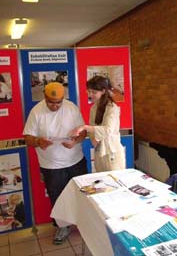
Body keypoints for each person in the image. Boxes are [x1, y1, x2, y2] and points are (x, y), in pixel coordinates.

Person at [23, 82, 87, 245]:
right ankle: (62, 226)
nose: (55, 106)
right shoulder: (36, 111)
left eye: (58, 102)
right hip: (51, 165)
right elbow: (28, 138)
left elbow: (83, 132)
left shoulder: (71, 107)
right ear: (44, 97)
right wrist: (38, 141)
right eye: (51, 102)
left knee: (82, 194)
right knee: (56, 197)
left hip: (76, 160)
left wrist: (75, 140)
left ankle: (85, 224)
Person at [69, 75, 125, 172]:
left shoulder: (112, 108)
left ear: (103, 91)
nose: (90, 95)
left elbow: (107, 130)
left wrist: (84, 127)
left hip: (112, 153)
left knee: (115, 183)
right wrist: (93, 139)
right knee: (101, 184)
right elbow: (92, 130)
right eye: (89, 91)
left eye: (94, 92)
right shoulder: (94, 108)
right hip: (99, 152)